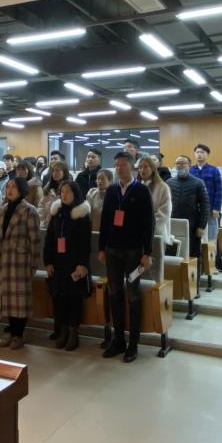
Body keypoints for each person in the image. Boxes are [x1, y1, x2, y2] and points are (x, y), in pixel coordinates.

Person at [98, 152, 154, 363]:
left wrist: (147, 252)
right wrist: (101, 248)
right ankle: (119, 339)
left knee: (132, 295)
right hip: (113, 250)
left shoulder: (141, 190)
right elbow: (105, 221)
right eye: (116, 165)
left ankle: (133, 343)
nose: (119, 168)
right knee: (114, 293)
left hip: (133, 252)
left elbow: (148, 223)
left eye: (122, 164)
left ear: (131, 167)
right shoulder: (112, 190)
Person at [44, 180, 94, 351]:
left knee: (73, 299)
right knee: (59, 298)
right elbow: (49, 239)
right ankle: (63, 331)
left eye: (68, 192)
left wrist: (82, 264)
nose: (64, 195)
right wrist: (48, 261)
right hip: (58, 263)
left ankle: (73, 333)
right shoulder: (57, 212)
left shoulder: (82, 214)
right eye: (62, 192)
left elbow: (85, 243)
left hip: (75, 264)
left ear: (75, 194)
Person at [0, 176, 39, 349]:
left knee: (19, 300)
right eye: (8, 187)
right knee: (8, 298)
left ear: (22, 190)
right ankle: (12, 332)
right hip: (3, 259)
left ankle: (19, 334)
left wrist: (33, 263)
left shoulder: (30, 210)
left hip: (19, 260)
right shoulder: (1, 209)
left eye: (13, 187)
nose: (9, 190)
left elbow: (35, 240)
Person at [169, 155, 209, 260]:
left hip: (192, 225)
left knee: (193, 255)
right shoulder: (169, 182)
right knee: (174, 254)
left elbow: (205, 205)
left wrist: (202, 226)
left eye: (183, 163)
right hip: (173, 224)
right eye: (177, 163)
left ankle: (196, 271)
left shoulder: (198, 182)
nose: (180, 166)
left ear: (189, 165)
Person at [190, 143, 222, 253]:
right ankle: (198, 254)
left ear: (207, 155)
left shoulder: (214, 170)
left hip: (210, 207)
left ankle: (212, 256)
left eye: (202, 152)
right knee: (196, 232)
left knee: (212, 232)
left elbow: (219, 190)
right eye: (197, 152)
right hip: (194, 207)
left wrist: (216, 208)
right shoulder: (191, 170)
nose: (199, 154)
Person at [138, 155, 173, 253]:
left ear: (153, 169)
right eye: (140, 167)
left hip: (157, 233)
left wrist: (148, 226)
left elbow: (165, 212)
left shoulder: (163, 187)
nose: (142, 170)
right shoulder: (137, 186)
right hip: (137, 234)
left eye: (146, 167)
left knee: (153, 261)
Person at [39, 159, 71, 228]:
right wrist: (42, 224)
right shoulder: (48, 189)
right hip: (47, 226)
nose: (54, 173)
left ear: (64, 172)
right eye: (53, 171)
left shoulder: (70, 188)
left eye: (57, 170)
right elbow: (41, 208)